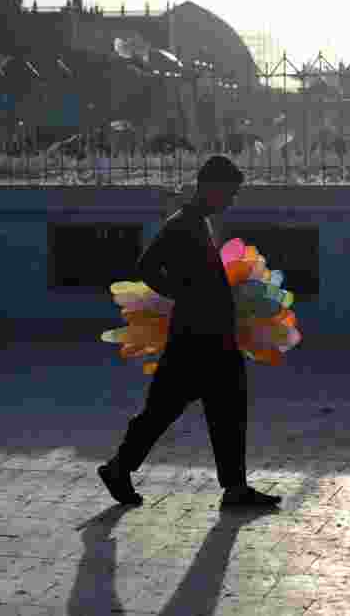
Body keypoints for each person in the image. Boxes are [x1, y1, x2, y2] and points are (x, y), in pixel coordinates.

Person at [98, 155, 282, 509]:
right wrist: (183, 294)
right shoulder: (182, 223)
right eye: (230, 193)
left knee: (228, 410)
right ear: (211, 188)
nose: (232, 201)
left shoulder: (200, 223)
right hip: (194, 341)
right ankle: (119, 467)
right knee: (161, 411)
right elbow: (147, 266)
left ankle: (235, 488)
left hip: (214, 339)